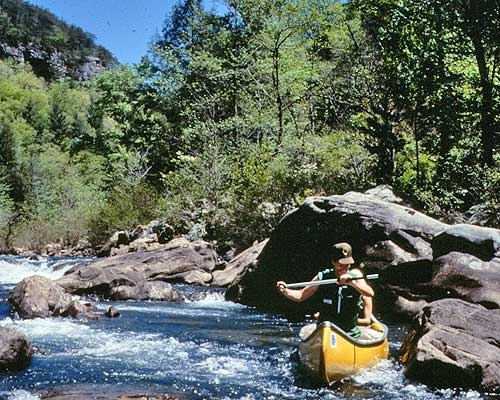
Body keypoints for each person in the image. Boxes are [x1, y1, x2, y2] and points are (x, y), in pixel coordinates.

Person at [276, 242, 374, 339]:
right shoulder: (323, 277)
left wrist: (352, 283)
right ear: (333, 262)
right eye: (341, 264)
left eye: (347, 264)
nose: (344, 267)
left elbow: (370, 293)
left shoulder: (355, 275)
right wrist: (285, 291)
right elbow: (301, 296)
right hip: (325, 333)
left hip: (349, 334)